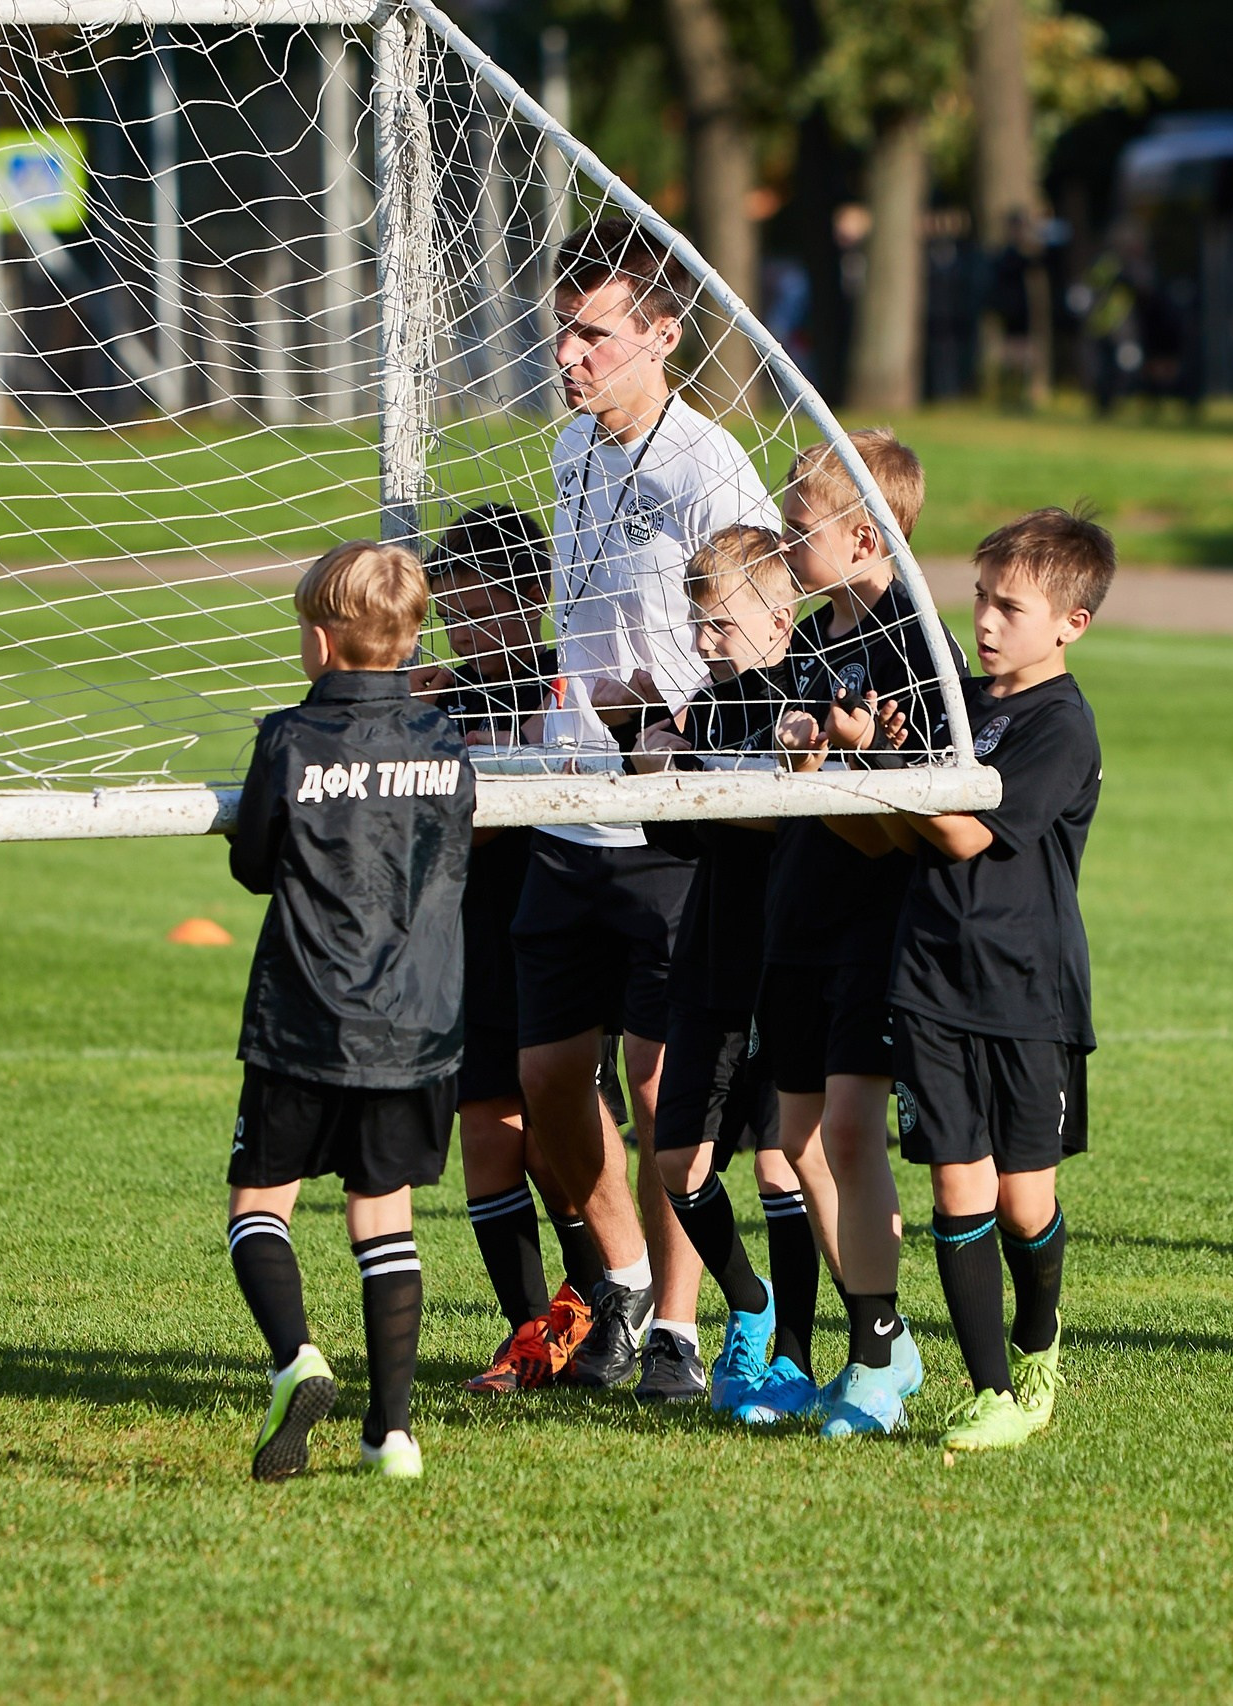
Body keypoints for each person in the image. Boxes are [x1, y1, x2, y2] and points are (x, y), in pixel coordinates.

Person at [517, 216, 777, 1399]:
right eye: (560, 331)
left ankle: (675, 1327)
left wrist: (678, 728)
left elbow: (756, 630)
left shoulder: (706, 464)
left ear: (661, 335)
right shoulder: (569, 450)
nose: (568, 354)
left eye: (592, 333)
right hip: (568, 812)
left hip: (669, 827)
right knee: (546, 1082)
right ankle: (618, 1275)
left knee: (664, 1087)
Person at [839, 507, 1111, 1453]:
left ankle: (1038, 1348)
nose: (987, 624)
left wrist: (893, 764)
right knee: (960, 1186)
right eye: (981, 602)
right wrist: (852, 762)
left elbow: (962, 831)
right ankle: (993, 1391)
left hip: (1027, 991)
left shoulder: (1060, 729)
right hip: (927, 979)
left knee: (1022, 1200)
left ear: (1071, 624)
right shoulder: (966, 707)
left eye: (1012, 608)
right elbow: (892, 835)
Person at [222, 540, 473, 1482]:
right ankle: (393, 1435)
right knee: (385, 1215)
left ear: (323, 645)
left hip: (306, 1015)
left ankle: (296, 1359)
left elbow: (253, 865)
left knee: (260, 1203)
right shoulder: (445, 740)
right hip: (415, 1024)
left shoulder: (289, 740)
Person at [765, 430, 964, 1438]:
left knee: (848, 1131)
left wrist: (835, 770)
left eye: (798, 525)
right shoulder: (807, 634)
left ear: (861, 535)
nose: (784, 537)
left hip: (874, 921)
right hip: (797, 908)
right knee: (789, 1142)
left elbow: (923, 818)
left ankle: (874, 1356)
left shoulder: (917, 644)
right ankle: (886, 1338)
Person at [626, 525, 840, 1415]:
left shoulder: (798, 705)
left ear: (780, 623)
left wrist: (705, 778)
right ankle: (745, 1301)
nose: (705, 640)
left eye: (721, 622)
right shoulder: (702, 709)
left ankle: (788, 1351)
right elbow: (679, 836)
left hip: (784, 955)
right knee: (678, 1156)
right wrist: (645, 759)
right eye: (697, 622)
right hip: (709, 952)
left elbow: (795, 822)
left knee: (781, 1163)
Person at [413, 503, 608, 1393]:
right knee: (488, 1141)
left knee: (552, 1148)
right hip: (470, 944)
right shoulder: (435, 699)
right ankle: (532, 1331)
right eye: (450, 612)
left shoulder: (562, 687)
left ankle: (601, 1300)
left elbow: (493, 816)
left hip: (553, 934)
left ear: (533, 597)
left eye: (480, 608)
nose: (465, 629)